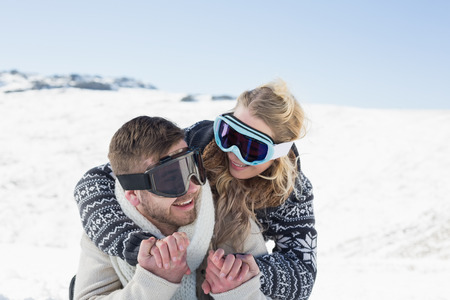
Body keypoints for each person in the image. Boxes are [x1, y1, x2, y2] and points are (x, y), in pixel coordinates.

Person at [74, 79, 317, 299]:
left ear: (278, 154)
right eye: (229, 133)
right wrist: (137, 247)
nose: (233, 152)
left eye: (253, 149)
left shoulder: (292, 192)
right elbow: (99, 181)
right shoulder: (199, 144)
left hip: (223, 259)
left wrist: (243, 272)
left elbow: (303, 274)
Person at [73, 116, 268, 299]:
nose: (192, 188)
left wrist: (240, 294)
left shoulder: (233, 219)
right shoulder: (107, 233)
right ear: (133, 194)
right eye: (170, 179)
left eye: (192, 167)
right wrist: (153, 284)